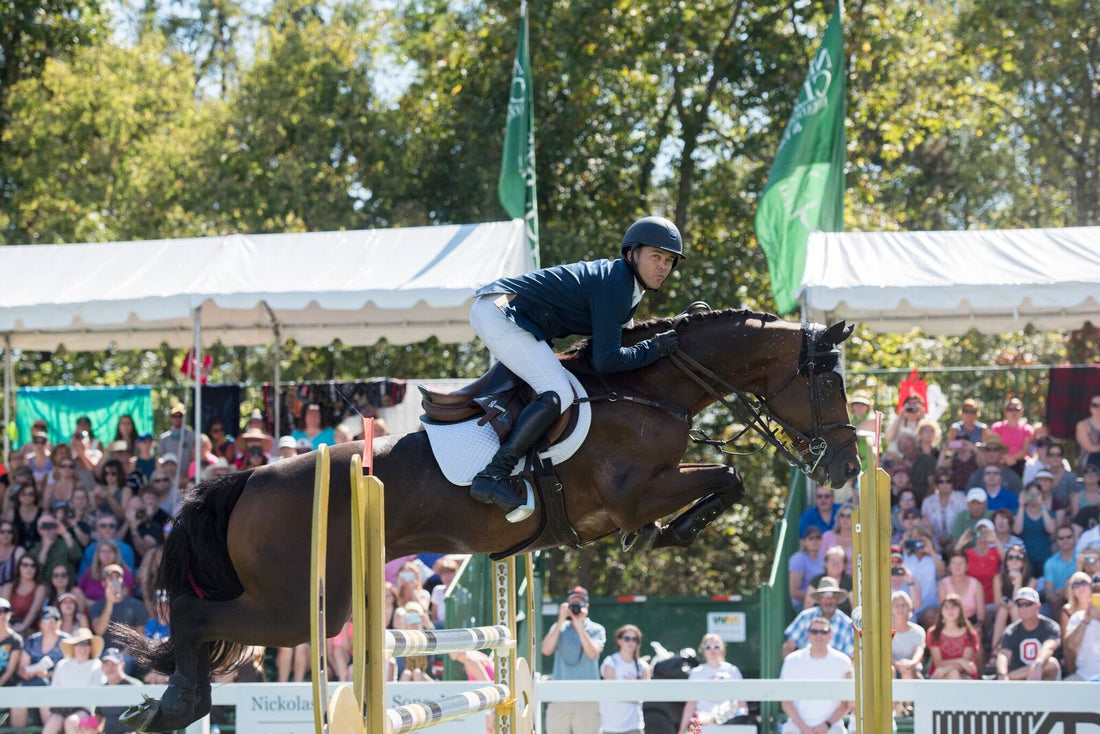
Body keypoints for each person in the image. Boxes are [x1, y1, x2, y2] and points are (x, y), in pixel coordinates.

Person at [467, 216, 683, 514]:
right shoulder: (617, 286)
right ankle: (494, 475)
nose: (663, 266)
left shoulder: (627, 286)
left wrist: (653, 347)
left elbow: (623, 348)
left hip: (505, 310)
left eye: (669, 260)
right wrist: (654, 348)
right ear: (632, 254)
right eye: (655, 257)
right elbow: (606, 361)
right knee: (558, 390)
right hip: (501, 311)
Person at [541, 586, 605, 734]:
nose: (576, 607)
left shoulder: (596, 629)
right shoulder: (559, 628)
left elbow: (592, 653)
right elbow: (546, 650)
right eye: (573, 603)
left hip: (587, 698)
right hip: (560, 696)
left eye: (580, 603)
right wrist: (561, 619)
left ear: (587, 606)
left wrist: (579, 626)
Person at [779, 616, 853, 734]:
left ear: (830, 636)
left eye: (823, 632)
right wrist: (804, 728)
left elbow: (846, 704)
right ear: (808, 635)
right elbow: (786, 703)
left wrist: (826, 725)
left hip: (832, 726)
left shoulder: (843, 661)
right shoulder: (792, 660)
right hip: (796, 725)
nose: (819, 635)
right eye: (814, 632)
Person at [12, 605, 69, 730]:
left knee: (44, 696)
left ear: (60, 623)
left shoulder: (67, 641)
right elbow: (22, 669)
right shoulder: (32, 640)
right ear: (40, 623)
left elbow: (70, 670)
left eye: (55, 620)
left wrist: (47, 675)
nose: (51, 623)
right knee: (17, 699)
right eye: (47, 620)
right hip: (32, 682)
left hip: (56, 685)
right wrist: (30, 672)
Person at [677, 633, 747, 733]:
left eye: (716, 646)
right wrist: (682, 730)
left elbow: (742, 703)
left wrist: (744, 721)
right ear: (703, 650)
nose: (712, 650)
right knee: (694, 726)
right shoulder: (696, 673)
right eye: (708, 647)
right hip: (701, 719)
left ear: (722, 649)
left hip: (728, 719)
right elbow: (691, 704)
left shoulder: (732, 670)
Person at [43, 628, 103, 734]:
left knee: (71, 722)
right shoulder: (62, 664)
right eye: (79, 644)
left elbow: (96, 694)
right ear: (74, 646)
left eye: (86, 644)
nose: (83, 648)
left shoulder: (96, 665)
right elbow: (54, 689)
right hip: (62, 708)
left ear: (90, 647)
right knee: (53, 723)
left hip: (86, 710)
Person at [994, 587, 1061, 680]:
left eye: (1028, 604)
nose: (1023, 608)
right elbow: (1004, 655)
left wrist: (1038, 664)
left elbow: (1048, 647)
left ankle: (1009, 677)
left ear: (1038, 606)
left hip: (1045, 680)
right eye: (1020, 604)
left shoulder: (1050, 627)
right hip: (1019, 681)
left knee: (1051, 663)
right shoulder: (1011, 631)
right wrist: (1002, 673)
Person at [783, 577, 855, 658]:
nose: (829, 600)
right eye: (825, 595)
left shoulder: (846, 623)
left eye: (833, 596)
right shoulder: (805, 617)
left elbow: (850, 656)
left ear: (837, 598)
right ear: (820, 598)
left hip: (834, 669)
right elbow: (788, 647)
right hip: (807, 668)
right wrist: (791, 667)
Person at [599, 624, 651, 734]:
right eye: (627, 638)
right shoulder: (610, 662)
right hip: (611, 726)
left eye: (634, 639)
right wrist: (633, 695)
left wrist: (625, 694)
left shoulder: (643, 666)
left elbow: (645, 693)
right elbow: (612, 691)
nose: (631, 642)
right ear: (619, 641)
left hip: (634, 725)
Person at [990, 545, 1036, 651]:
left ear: (1023, 562)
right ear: (1006, 562)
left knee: (1014, 608)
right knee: (1003, 609)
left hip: (1023, 617)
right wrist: (1006, 604)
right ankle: (995, 651)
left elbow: (1022, 605)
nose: (1014, 561)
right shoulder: (998, 578)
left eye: (1018, 558)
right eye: (1010, 558)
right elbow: (997, 607)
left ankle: (1021, 649)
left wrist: (1018, 582)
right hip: (1002, 617)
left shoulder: (1031, 581)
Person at [926, 594, 979, 679]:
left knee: (953, 673)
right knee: (953, 673)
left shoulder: (970, 633)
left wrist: (949, 668)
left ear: (960, 610)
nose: (950, 611)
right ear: (942, 611)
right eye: (946, 607)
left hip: (964, 675)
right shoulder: (934, 633)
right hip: (939, 673)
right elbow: (938, 663)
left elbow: (965, 665)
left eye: (953, 607)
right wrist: (960, 661)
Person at [96, 646, 143, 734]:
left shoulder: (134, 686)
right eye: (106, 664)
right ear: (102, 667)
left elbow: (144, 718)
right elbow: (98, 716)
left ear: (122, 665)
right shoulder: (102, 690)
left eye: (114, 664)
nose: (110, 668)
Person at [1063, 574, 1100, 680]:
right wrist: (1085, 620)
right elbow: (1070, 645)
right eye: (1096, 590)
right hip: (1084, 676)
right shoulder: (1078, 617)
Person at [28, 512, 82, 583]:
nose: (49, 530)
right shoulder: (34, 550)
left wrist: (65, 533)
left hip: (66, 586)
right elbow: (36, 572)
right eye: (45, 526)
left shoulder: (66, 543)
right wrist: (45, 548)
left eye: (51, 526)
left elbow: (77, 556)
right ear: (39, 530)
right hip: (45, 589)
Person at [1, 554, 47, 634]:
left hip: (29, 628)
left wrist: (22, 627)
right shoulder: (8, 587)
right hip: (7, 625)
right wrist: (8, 627)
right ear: (19, 568)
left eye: (33, 566)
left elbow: (33, 613)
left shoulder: (40, 588)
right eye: (25, 565)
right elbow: (2, 611)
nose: (29, 569)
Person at [990, 397, 1033, 478]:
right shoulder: (997, 427)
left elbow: (1024, 450)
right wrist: (1005, 458)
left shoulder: (1027, 429)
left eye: (1017, 409)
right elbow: (995, 446)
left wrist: (1012, 459)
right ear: (1006, 412)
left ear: (1022, 411)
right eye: (1010, 409)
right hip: (1000, 460)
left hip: (1020, 462)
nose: (1013, 412)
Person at [1043, 524, 1080, 617]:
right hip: (1057, 602)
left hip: (1079, 598)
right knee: (1042, 612)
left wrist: (1064, 591)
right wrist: (1052, 596)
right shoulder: (1050, 563)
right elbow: (1048, 588)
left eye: (1069, 537)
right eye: (1061, 538)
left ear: (1074, 538)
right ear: (1056, 540)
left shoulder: (1081, 558)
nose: (1065, 540)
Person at [806, 546, 853, 616]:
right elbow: (807, 607)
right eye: (832, 560)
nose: (835, 564)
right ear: (826, 563)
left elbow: (854, 606)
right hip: (818, 621)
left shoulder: (849, 581)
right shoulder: (816, 580)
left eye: (839, 561)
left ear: (844, 565)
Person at [789, 525, 825, 611]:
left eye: (818, 538)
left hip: (823, 602)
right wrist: (817, 598)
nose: (815, 541)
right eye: (811, 538)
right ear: (804, 542)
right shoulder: (798, 559)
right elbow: (794, 592)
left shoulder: (823, 558)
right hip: (803, 604)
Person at [157, 403, 195, 477]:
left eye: (180, 416)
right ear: (170, 418)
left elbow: (193, 458)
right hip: (169, 478)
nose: (177, 418)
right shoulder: (164, 438)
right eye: (174, 416)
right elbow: (162, 458)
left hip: (187, 477)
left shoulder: (191, 436)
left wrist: (185, 475)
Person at [820, 505, 854, 574]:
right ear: (838, 518)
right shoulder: (828, 536)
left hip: (855, 578)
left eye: (849, 516)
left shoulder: (860, 538)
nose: (845, 519)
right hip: (831, 576)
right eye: (842, 515)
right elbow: (821, 560)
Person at [0, 598, 24, 688]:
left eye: (6, 611)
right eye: (0, 611)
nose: (3, 615)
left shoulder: (15, 639)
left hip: (8, 686)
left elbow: (10, 669)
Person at [1074, 395, 1100, 472]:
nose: (1098, 407)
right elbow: (1089, 448)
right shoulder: (1082, 425)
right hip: (1089, 461)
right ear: (1090, 407)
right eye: (1095, 405)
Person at [0, 520, 26, 588]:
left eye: (9, 532)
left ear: (13, 534)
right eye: (2, 532)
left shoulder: (19, 551)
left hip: (11, 591)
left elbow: (22, 576)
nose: (6, 535)